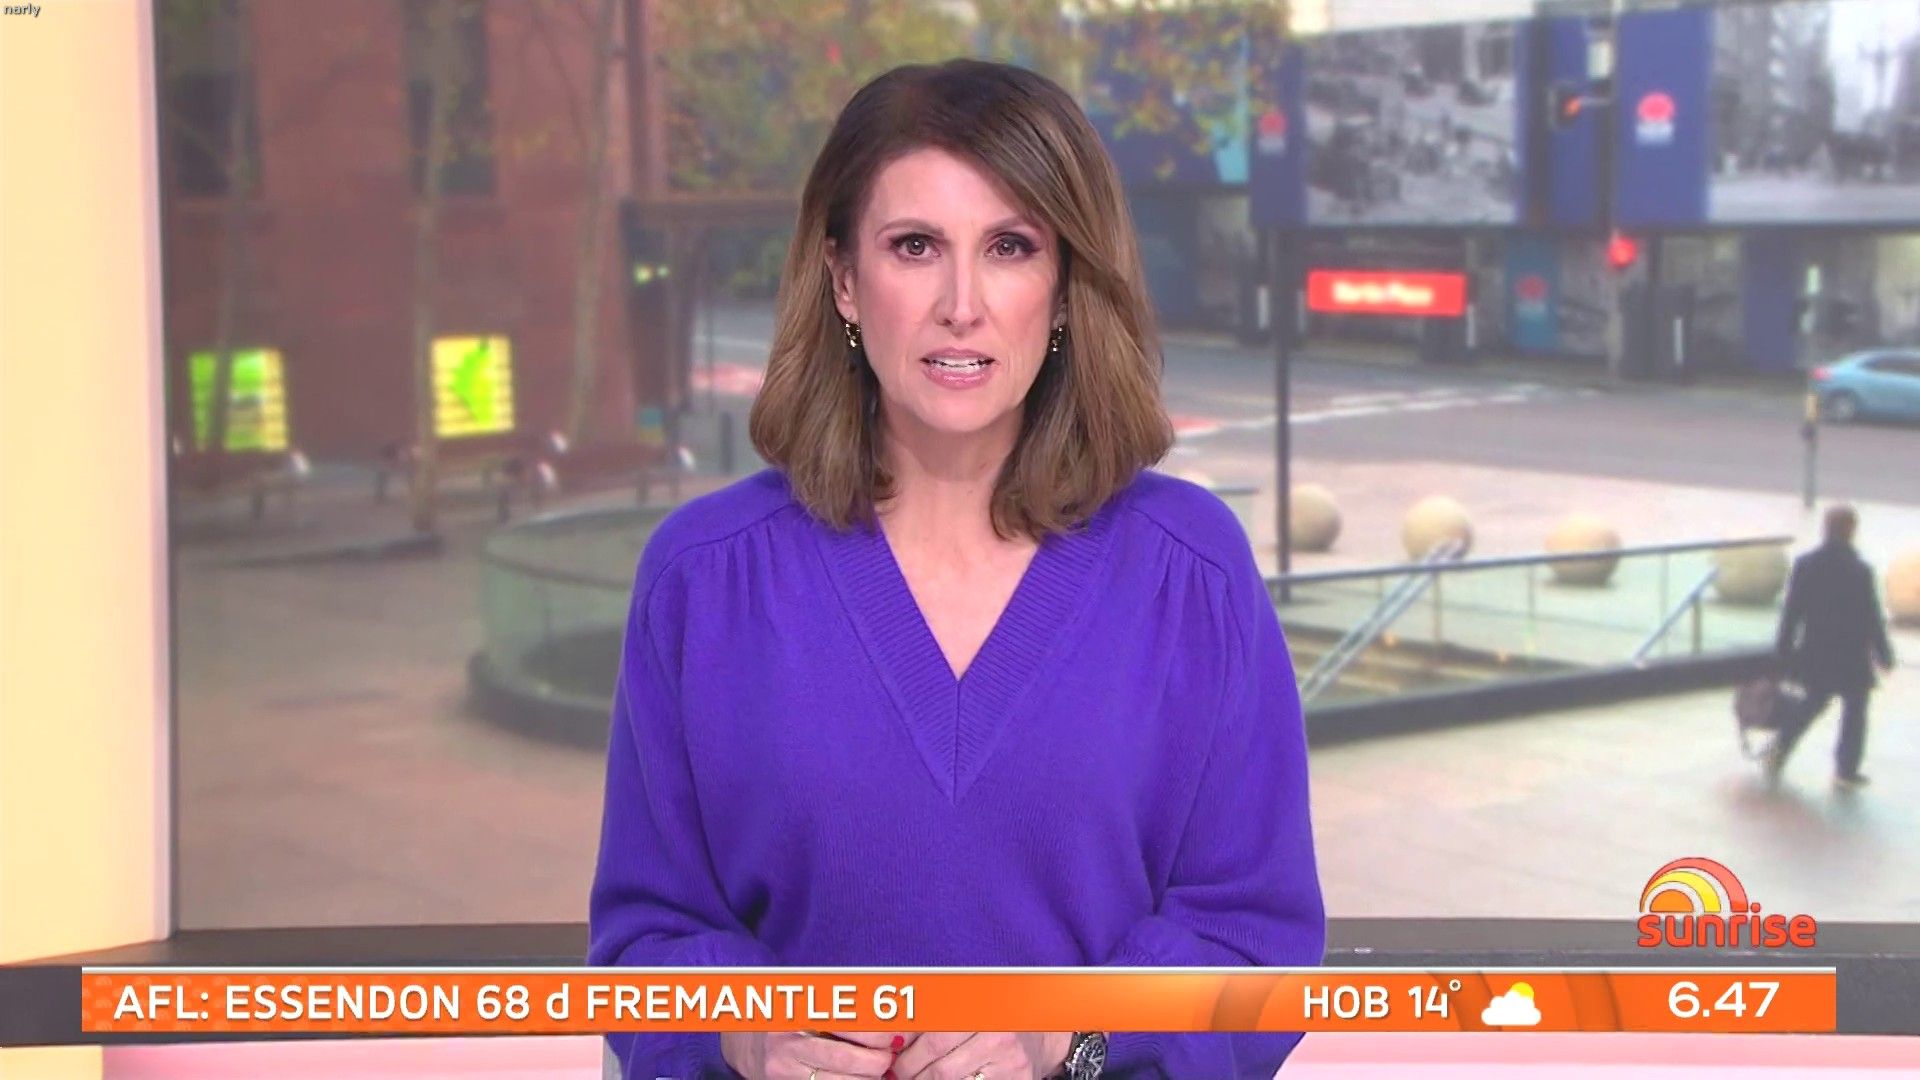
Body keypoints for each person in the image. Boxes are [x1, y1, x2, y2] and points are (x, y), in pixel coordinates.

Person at [588, 59, 1324, 1079]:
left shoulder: (1191, 571)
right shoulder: (704, 580)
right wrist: (748, 1034)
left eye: (1010, 247)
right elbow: (645, 941)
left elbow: (1254, 941)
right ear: (844, 279)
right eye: (915, 246)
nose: (962, 304)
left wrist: (1069, 1038)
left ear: (1064, 290)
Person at [1767, 505, 1896, 787]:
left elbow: (1792, 612)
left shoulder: (1805, 565)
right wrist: (1884, 653)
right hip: (1852, 653)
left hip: (1816, 649)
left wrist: (1783, 652)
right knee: (1855, 712)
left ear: (1825, 529)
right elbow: (1871, 616)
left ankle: (1779, 747)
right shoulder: (1860, 570)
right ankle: (1845, 770)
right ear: (1851, 530)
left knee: (1812, 703)